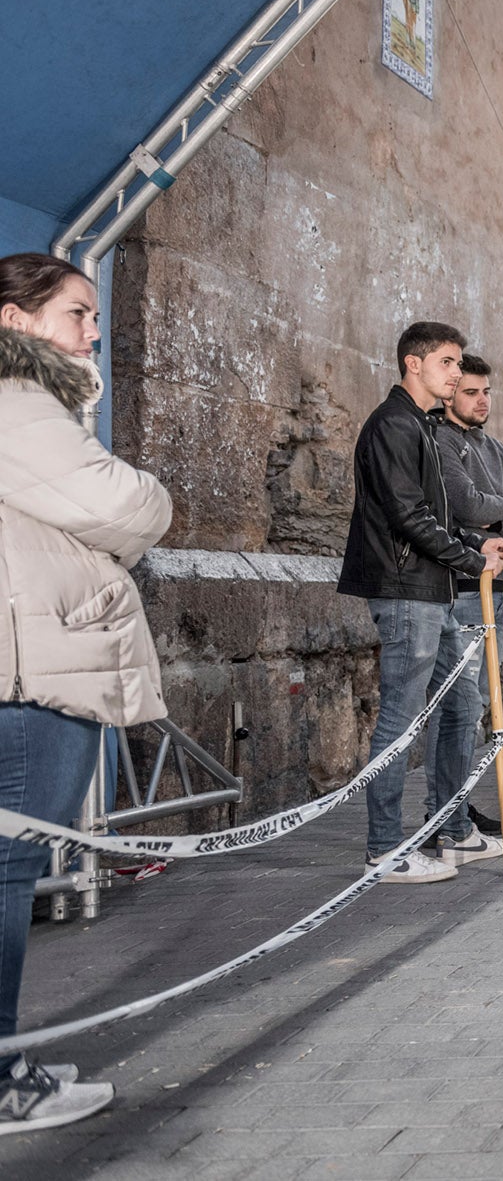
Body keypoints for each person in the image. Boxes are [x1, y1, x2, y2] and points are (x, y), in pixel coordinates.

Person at [0, 253, 167, 1132]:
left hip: (30, 656)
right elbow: (120, 503)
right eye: (75, 312)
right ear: (16, 321)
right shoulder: (19, 401)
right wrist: (152, 493)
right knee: (8, 870)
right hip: (29, 670)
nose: (92, 330)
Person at [338, 321, 503, 883]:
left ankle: (453, 830)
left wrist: (475, 542)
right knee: (400, 718)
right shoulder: (393, 424)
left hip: (432, 588)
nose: (457, 373)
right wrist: (472, 560)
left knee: (463, 705)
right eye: (447, 362)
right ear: (413, 364)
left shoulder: (422, 426)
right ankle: (385, 850)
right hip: (405, 590)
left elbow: (434, 518)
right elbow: (406, 517)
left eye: (458, 363)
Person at [426, 353, 503, 852]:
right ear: (450, 394)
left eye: (487, 391)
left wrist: (497, 522)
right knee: (457, 707)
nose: (482, 400)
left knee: (481, 704)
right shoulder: (440, 441)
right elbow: (462, 505)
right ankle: (442, 811)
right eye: (471, 392)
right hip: (461, 592)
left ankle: (456, 803)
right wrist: (488, 522)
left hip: (497, 594)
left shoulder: (492, 447)